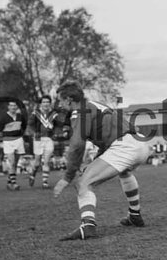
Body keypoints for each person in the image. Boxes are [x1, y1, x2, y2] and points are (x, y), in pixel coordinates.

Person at [52, 82, 152, 240]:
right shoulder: (94, 105)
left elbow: (77, 145)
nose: (60, 104)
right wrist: (96, 161)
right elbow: (108, 137)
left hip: (124, 147)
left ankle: (88, 226)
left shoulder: (79, 111)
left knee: (83, 183)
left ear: (69, 100)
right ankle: (135, 214)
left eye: (61, 100)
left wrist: (67, 176)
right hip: (140, 143)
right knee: (124, 172)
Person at [27, 95, 61, 189]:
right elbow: (30, 125)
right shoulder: (35, 113)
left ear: (50, 103)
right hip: (38, 139)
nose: (46, 104)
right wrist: (33, 133)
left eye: (47, 102)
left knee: (46, 161)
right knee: (37, 162)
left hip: (49, 139)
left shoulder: (54, 114)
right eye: (44, 102)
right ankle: (32, 174)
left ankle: (45, 182)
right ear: (40, 104)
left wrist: (56, 133)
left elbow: (58, 126)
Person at [0, 100, 28, 190]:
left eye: (15, 106)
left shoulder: (20, 117)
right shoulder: (3, 117)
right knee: (11, 162)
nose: (13, 107)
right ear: (8, 107)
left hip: (18, 140)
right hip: (8, 141)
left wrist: (23, 138)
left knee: (15, 164)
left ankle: (9, 182)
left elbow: (24, 127)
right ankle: (14, 183)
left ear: (17, 107)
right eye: (11, 106)